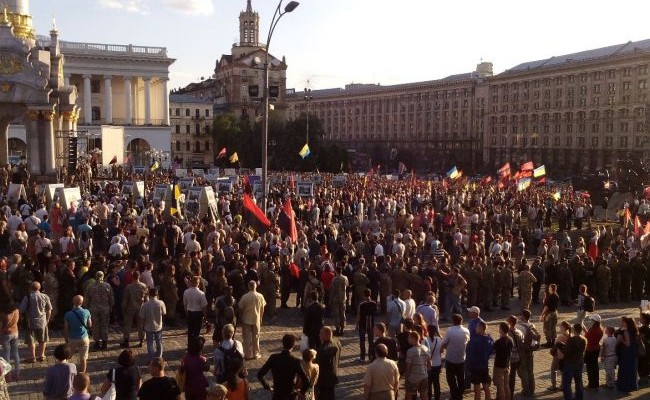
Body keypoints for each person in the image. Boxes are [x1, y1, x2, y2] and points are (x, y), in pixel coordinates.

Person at [257, 334, 310, 400]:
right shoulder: (295, 361)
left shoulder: (273, 358)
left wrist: (267, 386)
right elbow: (307, 381)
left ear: (283, 343)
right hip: (290, 395)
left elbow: (260, 374)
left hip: (277, 395)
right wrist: (300, 392)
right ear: (293, 345)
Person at [19, 280, 51, 363]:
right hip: (42, 321)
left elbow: (21, 309)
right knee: (42, 339)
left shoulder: (28, 297)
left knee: (31, 340)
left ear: (31, 288)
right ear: (39, 288)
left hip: (30, 321)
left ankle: (33, 356)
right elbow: (49, 310)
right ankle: (41, 355)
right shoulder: (45, 296)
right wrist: (47, 319)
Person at [441, 314, 469, 400]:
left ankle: (454, 394)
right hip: (461, 358)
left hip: (451, 358)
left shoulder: (450, 330)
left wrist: (445, 347)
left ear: (453, 321)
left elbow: (444, 343)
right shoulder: (466, 330)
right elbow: (467, 341)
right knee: (460, 377)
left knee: (450, 378)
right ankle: (459, 394)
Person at [84, 270, 113, 350]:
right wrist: (111, 307)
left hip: (94, 309)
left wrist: (86, 309)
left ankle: (96, 342)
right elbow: (111, 298)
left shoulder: (90, 286)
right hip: (105, 309)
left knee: (95, 326)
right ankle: (104, 342)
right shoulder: (107, 286)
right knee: (104, 325)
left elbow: (86, 299)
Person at [237, 280, 266, 360]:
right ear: (256, 286)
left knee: (246, 337)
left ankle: (247, 354)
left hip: (246, 318)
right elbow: (262, 308)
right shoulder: (260, 296)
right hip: (256, 318)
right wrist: (261, 317)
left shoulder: (245, 296)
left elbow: (240, 308)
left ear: (248, 286)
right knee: (256, 336)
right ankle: (255, 353)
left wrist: (240, 318)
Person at [63, 295, 92, 373]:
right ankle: (82, 373)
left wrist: (66, 339)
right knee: (83, 358)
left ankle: (66, 371)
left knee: (67, 356)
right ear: (82, 303)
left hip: (73, 338)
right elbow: (89, 325)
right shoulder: (86, 312)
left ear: (73, 302)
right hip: (84, 338)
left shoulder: (68, 314)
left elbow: (66, 328)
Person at [466, 320, 494, 400]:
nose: (475, 328)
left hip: (475, 366)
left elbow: (470, 354)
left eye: (477, 327)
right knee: (486, 386)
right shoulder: (489, 340)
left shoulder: (474, 340)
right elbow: (492, 350)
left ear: (481, 328)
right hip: (484, 366)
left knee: (477, 388)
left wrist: (468, 367)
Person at [516, 309, 540, 396]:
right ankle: (532, 389)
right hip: (530, 351)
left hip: (522, 351)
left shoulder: (519, 326)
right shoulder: (532, 326)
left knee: (523, 370)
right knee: (530, 370)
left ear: (523, 316)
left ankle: (525, 390)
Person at [560, 323, 587, 400]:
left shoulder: (572, 340)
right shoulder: (584, 339)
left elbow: (566, 352)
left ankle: (568, 398)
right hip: (579, 362)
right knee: (579, 381)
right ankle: (579, 397)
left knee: (567, 383)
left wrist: (561, 347)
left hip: (570, 363)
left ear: (574, 330)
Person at [121, 270, 148, 348]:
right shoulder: (144, 286)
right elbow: (146, 299)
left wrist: (124, 308)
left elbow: (125, 299)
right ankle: (141, 340)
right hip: (141, 307)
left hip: (131, 307)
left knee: (128, 324)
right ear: (139, 277)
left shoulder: (129, 287)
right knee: (141, 325)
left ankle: (126, 340)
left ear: (133, 277)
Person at [140, 287, 166, 361]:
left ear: (149, 294)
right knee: (159, 342)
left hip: (149, 326)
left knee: (150, 343)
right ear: (157, 294)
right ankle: (159, 357)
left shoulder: (145, 305)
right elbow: (164, 312)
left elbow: (141, 316)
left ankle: (151, 359)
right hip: (158, 326)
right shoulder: (161, 303)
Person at [315, 326, 341, 400]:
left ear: (328, 335)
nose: (319, 335)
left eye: (321, 333)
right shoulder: (337, 343)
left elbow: (320, 361)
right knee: (331, 396)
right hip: (332, 377)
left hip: (325, 379)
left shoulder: (327, 348)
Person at [404, 330, 430, 400]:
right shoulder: (425, 348)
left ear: (413, 338)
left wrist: (406, 378)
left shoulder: (410, 351)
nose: (408, 339)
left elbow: (408, 367)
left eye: (409, 338)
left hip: (413, 378)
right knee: (424, 396)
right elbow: (429, 364)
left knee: (409, 395)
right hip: (424, 376)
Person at [616, 316, 639, 392]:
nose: (621, 323)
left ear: (626, 323)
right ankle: (632, 385)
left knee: (625, 368)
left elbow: (628, 344)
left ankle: (625, 386)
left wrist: (622, 339)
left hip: (627, 352)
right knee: (632, 368)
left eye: (623, 322)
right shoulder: (634, 330)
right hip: (633, 351)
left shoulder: (626, 331)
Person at [548, 321, 571, 392]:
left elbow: (555, 345)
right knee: (563, 370)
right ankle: (562, 385)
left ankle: (553, 385)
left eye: (560, 326)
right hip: (566, 356)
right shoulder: (570, 335)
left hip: (558, 355)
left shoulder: (561, 337)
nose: (559, 327)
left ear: (563, 327)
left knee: (553, 370)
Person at [492, 322, 513, 400]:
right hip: (507, 365)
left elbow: (492, 350)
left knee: (500, 387)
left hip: (499, 366)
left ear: (501, 329)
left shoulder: (498, 342)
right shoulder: (510, 340)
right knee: (506, 386)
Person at [583, 314, 603, 390]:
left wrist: (584, 330)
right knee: (595, 366)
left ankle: (591, 384)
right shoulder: (600, 329)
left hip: (590, 350)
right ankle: (595, 383)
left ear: (594, 321)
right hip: (596, 348)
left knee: (590, 368)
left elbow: (586, 337)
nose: (591, 321)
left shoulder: (592, 330)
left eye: (592, 320)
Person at [0, 303, 19, 381]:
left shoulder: (3, 314)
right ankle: (17, 374)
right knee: (15, 353)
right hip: (15, 332)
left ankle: (8, 376)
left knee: (6, 354)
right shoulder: (16, 310)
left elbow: (1, 326)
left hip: (6, 334)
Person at [358, 288, 378, 362]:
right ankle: (370, 356)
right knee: (371, 341)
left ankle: (362, 357)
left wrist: (357, 324)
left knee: (362, 341)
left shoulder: (362, 304)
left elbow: (359, 315)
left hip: (362, 324)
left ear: (364, 295)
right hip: (371, 324)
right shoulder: (374, 303)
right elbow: (375, 312)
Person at [505, 316, 523, 398]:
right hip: (517, 357)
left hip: (510, 358)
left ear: (510, 323)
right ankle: (511, 394)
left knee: (508, 378)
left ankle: (507, 395)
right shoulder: (519, 332)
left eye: (507, 321)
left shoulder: (508, 333)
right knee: (512, 376)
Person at [540, 284, 559, 348]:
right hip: (554, 313)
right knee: (553, 328)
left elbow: (546, 306)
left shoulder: (550, 296)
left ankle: (549, 342)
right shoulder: (556, 295)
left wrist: (542, 315)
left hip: (549, 314)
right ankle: (553, 342)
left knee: (546, 328)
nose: (548, 289)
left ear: (551, 289)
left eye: (549, 288)